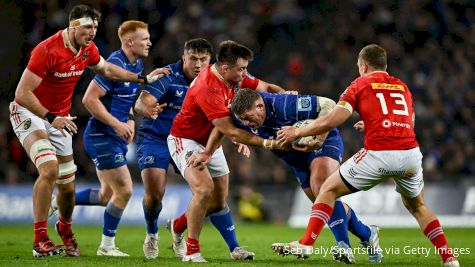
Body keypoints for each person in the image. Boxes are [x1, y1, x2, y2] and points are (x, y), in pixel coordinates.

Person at [274, 44, 460, 267]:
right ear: (385, 65)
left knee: (327, 190)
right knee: (418, 206)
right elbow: (408, 122)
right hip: (410, 155)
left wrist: (300, 131)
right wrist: (374, 123)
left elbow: (334, 118)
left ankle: (306, 243)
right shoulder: (401, 86)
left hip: (379, 154)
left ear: (363, 66)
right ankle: (449, 258)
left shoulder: (360, 83)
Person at [9, 5, 162, 258]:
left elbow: (108, 71)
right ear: (73, 26)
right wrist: (50, 117)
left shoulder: (88, 50)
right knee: (49, 168)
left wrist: (142, 80)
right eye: (87, 27)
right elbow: (22, 93)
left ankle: (66, 231)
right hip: (31, 112)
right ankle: (40, 239)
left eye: (95, 27)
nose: (92, 32)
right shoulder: (47, 50)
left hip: (60, 117)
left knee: (67, 187)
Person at [167, 40, 292, 262]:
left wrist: (287, 99)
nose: (245, 73)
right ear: (225, 69)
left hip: (211, 142)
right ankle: (192, 250)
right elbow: (230, 130)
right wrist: (267, 143)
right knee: (204, 190)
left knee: (217, 202)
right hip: (186, 140)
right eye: (241, 69)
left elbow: (267, 88)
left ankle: (180, 227)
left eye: (245, 68)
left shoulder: (235, 76)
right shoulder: (208, 87)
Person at [231, 89, 382, 264]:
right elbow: (223, 125)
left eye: (249, 117)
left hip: (322, 142)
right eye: (242, 119)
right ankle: (367, 234)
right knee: (325, 203)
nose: (246, 123)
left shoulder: (284, 104)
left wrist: (318, 138)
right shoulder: (238, 114)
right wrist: (236, 138)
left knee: (321, 187)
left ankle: (342, 246)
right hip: (296, 159)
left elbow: (329, 105)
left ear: (260, 106)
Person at [134, 38, 214, 259]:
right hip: (155, 138)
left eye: (203, 60)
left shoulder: (212, 80)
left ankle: (179, 228)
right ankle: (152, 233)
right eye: (193, 59)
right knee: (155, 193)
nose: (198, 64)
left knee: (208, 193)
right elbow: (142, 102)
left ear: (209, 61)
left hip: (187, 140)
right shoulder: (167, 75)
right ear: (184, 57)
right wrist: (147, 110)